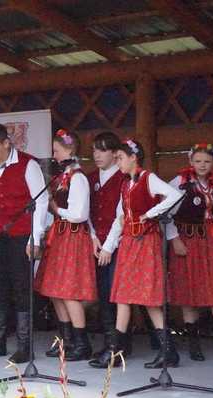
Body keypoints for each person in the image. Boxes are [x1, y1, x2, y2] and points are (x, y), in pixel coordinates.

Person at [89, 140, 183, 369]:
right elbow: (119, 219)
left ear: (133, 158)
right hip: (130, 243)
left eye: (120, 157)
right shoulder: (125, 184)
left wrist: (149, 214)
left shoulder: (147, 178)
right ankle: (116, 350)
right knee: (123, 296)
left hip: (145, 242)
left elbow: (174, 195)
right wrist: (109, 247)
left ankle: (166, 349)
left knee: (146, 298)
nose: (118, 161)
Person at [0, 122, 48, 363]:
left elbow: (41, 201)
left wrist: (35, 237)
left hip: (21, 235)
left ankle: (24, 345)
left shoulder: (29, 165)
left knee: (20, 287)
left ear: (7, 143)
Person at [166, 143, 213, 364]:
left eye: (206, 162)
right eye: (198, 161)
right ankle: (193, 342)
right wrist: (175, 239)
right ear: (190, 162)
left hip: (211, 241)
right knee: (189, 286)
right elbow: (165, 213)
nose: (202, 165)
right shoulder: (180, 184)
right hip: (187, 241)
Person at [35, 129, 97, 361]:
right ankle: (66, 339)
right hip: (61, 236)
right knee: (55, 292)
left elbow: (79, 214)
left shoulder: (78, 178)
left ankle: (82, 343)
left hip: (72, 236)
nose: (54, 154)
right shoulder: (64, 177)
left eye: (57, 150)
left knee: (68, 292)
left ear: (70, 150)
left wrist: (56, 209)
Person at [86, 132, 125, 357]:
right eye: (94, 150)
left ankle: (118, 344)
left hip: (117, 243)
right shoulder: (90, 178)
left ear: (114, 153)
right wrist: (92, 236)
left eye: (102, 150)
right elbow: (87, 212)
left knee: (115, 292)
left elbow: (121, 216)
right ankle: (110, 342)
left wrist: (109, 246)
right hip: (96, 243)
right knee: (101, 293)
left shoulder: (122, 178)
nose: (97, 155)